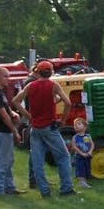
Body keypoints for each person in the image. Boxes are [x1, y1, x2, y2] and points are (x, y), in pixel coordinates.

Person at [12, 61, 76, 198]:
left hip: (35, 128)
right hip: (50, 127)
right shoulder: (53, 85)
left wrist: (28, 116)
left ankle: (44, 191)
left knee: (37, 160)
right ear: (51, 72)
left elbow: (15, 101)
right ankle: (66, 188)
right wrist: (63, 121)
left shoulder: (31, 85)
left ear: (38, 71)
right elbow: (68, 103)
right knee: (64, 156)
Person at [0, 67, 25, 196]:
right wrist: (15, 130)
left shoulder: (0, 93)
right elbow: (4, 115)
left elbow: (7, 110)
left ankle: (9, 187)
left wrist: (15, 114)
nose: (8, 79)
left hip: (5, 132)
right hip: (1, 132)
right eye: (6, 76)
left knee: (8, 161)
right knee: (0, 161)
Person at [70, 117, 94, 188]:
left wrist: (90, 151)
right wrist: (82, 153)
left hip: (87, 155)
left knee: (87, 167)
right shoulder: (75, 137)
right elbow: (74, 146)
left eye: (79, 124)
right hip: (79, 156)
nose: (76, 126)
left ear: (85, 127)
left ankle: (85, 181)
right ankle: (82, 182)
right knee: (81, 168)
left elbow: (92, 144)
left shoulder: (88, 136)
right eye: (75, 125)